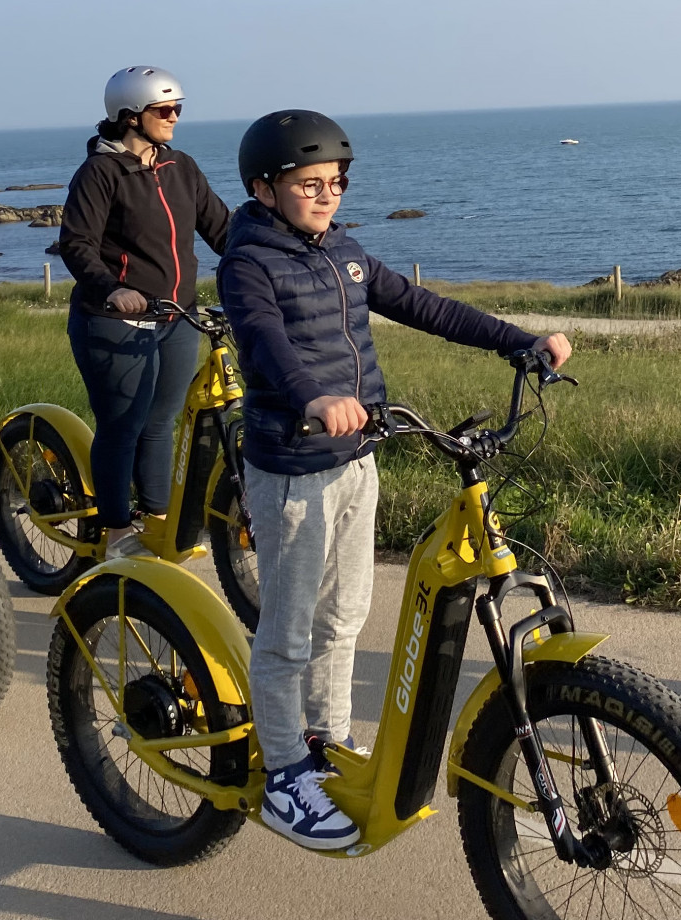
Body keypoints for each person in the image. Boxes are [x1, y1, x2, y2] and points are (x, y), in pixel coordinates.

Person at [217, 110, 570, 851]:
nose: (326, 196)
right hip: (293, 469)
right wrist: (314, 397)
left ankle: (327, 738)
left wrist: (519, 342)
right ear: (263, 187)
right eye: (309, 184)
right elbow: (264, 340)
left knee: (344, 615)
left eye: (336, 183)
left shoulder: (341, 250)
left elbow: (420, 305)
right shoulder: (248, 259)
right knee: (287, 631)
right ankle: (285, 773)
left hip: (356, 457)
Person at [56, 66, 231, 559]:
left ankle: (155, 520)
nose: (175, 117)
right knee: (123, 425)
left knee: (162, 421)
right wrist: (111, 288)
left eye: (178, 108)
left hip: (177, 317)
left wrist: (268, 256)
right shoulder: (100, 172)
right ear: (131, 117)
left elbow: (222, 229)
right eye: (165, 110)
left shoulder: (181, 167)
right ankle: (114, 533)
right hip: (115, 320)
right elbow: (77, 244)